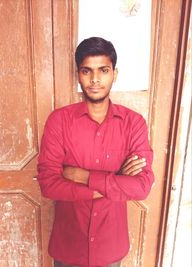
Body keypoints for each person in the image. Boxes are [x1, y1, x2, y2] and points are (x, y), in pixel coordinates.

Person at [37, 37, 154, 267]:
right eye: (86, 71)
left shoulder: (133, 123)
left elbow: (142, 187)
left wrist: (84, 176)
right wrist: (116, 183)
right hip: (68, 248)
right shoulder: (59, 121)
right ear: (78, 75)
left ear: (115, 74)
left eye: (103, 70)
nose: (95, 79)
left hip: (110, 247)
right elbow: (48, 184)